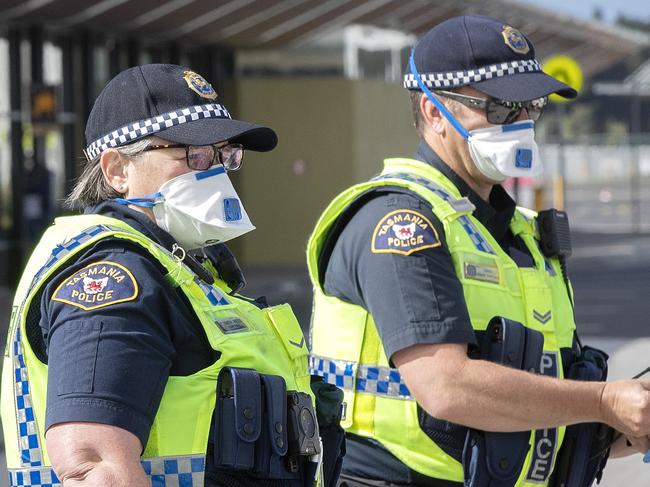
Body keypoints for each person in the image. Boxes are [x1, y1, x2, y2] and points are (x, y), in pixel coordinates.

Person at [307, 15, 650, 487]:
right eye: (501, 109)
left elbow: (538, 406)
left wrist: (628, 421)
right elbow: (446, 387)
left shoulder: (522, 234)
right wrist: (602, 401)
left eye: (532, 106)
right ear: (434, 112)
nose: (523, 123)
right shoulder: (401, 222)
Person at [1, 64, 344, 487]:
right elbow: (93, 467)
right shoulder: (113, 279)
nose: (215, 172)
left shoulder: (182, 268)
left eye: (225, 155)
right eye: (194, 155)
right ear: (117, 170)